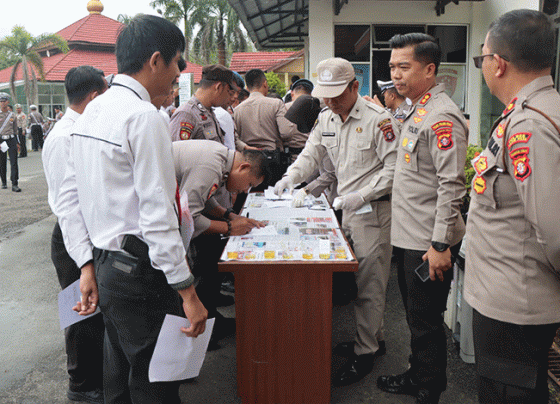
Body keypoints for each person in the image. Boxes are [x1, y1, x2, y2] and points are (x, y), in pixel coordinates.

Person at [56, 15, 207, 404]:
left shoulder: (93, 110)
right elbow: (157, 216)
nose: (177, 73)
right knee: (155, 382)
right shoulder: (142, 117)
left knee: (121, 378)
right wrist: (187, 291)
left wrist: (86, 264)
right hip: (141, 274)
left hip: (109, 267)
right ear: (156, 60)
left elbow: (70, 198)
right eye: (176, 63)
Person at [274, 57, 399, 387]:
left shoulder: (379, 120)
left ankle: (365, 352)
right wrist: (290, 178)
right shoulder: (326, 117)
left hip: (373, 212)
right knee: (357, 280)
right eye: (324, 94)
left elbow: (394, 169)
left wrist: (362, 195)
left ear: (355, 87)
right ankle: (374, 338)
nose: (328, 101)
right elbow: (310, 156)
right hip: (345, 210)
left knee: (369, 285)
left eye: (336, 94)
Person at [464, 9, 560, 404]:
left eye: (481, 59)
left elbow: (554, 232)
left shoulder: (529, 126)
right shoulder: (533, 111)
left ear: (498, 64)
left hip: (514, 304)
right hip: (512, 295)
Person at [376, 33, 467, 404]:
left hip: (429, 242)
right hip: (412, 236)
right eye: (392, 66)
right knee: (417, 318)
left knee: (426, 321)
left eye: (404, 66)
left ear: (429, 69)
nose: (395, 75)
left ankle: (429, 388)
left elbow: (451, 185)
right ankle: (419, 374)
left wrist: (440, 244)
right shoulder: (417, 107)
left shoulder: (442, 116)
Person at [42, 65, 107, 404]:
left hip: (86, 233)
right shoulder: (64, 137)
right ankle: (81, 386)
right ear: (94, 97)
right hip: (71, 238)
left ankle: (94, 378)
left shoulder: (82, 130)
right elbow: (67, 206)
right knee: (80, 314)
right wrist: (84, 261)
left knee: (93, 313)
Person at [174, 140, 266, 348]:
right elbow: (188, 217)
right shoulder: (210, 166)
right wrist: (229, 228)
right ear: (244, 167)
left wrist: (230, 216)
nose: (244, 191)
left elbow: (204, 199)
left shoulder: (220, 159)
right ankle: (193, 337)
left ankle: (205, 325)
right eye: (249, 184)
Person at [234, 68, 299, 188]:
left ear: (247, 87)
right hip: (273, 159)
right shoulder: (276, 104)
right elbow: (287, 133)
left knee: (251, 197)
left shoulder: (237, 109)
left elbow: (235, 138)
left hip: (248, 160)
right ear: (265, 83)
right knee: (274, 197)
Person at [169, 64, 234, 143]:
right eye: (228, 92)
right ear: (219, 87)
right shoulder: (186, 114)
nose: (229, 98)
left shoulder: (208, 111)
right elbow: (177, 152)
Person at [284, 78, 314, 163]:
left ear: (292, 93)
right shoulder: (316, 107)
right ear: (311, 94)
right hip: (312, 155)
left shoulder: (284, 107)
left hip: (290, 156)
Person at [0, 93, 21, 192]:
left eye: (4, 101)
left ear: (8, 102)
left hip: (11, 139)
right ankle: (3, 181)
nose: (2, 103)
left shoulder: (12, 115)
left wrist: (17, 142)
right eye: (1, 101)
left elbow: (15, 129)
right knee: (2, 161)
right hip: (1, 140)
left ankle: (14, 183)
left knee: (14, 161)